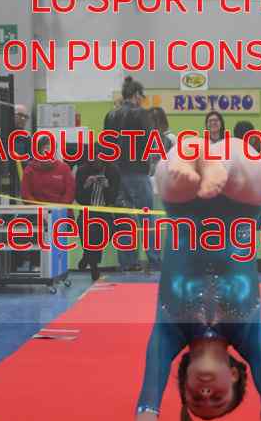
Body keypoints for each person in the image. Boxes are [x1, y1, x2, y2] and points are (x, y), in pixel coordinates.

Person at [125, 137, 261, 421]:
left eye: (196, 398)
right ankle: (217, 164)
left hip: (182, 209)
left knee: (174, 180)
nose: (206, 392)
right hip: (244, 207)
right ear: (236, 376)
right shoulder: (248, 333)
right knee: (239, 170)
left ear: (183, 383)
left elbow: (149, 393)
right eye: (218, 398)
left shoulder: (170, 331)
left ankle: (197, 162)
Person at [104, 76, 160, 271]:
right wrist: (151, 162)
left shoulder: (111, 115)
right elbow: (150, 142)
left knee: (125, 219)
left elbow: (107, 146)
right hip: (137, 172)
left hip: (116, 173)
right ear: (136, 95)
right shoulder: (141, 114)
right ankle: (154, 260)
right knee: (147, 217)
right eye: (141, 97)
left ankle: (128, 263)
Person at [75, 145, 120, 282]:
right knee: (87, 228)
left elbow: (113, 198)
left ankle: (87, 256)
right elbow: (79, 198)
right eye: (92, 159)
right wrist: (86, 185)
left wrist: (107, 186)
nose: (95, 162)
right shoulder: (82, 171)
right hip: (88, 209)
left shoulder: (113, 170)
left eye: (98, 159)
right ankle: (94, 266)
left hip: (106, 210)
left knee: (105, 231)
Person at [20, 136, 75, 205]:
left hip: (61, 210)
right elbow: (25, 195)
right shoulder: (30, 169)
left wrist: (59, 208)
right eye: (46, 150)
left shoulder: (64, 168)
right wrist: (40, 208)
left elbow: (70, 193)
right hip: (36, 210)